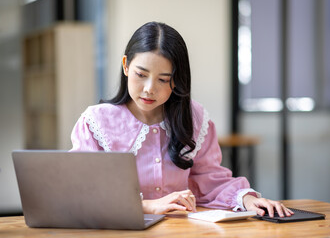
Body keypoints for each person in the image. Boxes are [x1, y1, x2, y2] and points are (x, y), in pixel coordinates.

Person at [70, 21, 294, 218]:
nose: (149, 89)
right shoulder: (96, 122)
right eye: (141, 74)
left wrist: (246, 200)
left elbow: (210, 180)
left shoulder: (195, 118)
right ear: (126, 65)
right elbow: (82, 192)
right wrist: (147, 206)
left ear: (176, 80)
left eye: (163, 79)